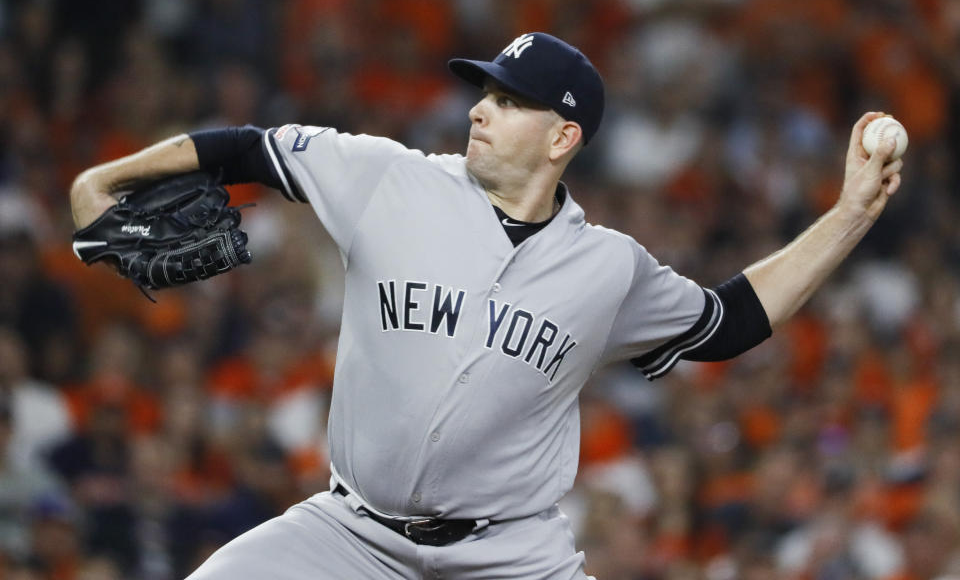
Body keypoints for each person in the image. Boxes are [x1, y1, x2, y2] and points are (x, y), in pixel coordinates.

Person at [69, 32, 904, 579]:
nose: (478, 107)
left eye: (507, 101)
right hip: (350, 534)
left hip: (508, 555)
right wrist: (104, 180)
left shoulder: (606, 268)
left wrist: (851, 214)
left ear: (562, 137)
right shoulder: (389, 177)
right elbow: (245, 148)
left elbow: (728, 324)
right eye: (483, 92)